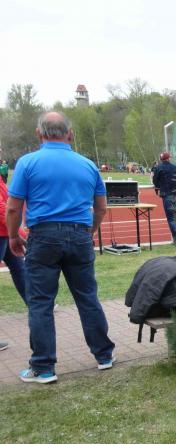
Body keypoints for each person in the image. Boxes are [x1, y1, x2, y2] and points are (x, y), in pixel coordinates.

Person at [5, 112, 115, 383]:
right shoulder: (88, 165)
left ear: (39, 133)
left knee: (40, 302)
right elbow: (101, 207)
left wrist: (13, 236)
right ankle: (104, 355)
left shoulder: (27, 163)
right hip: (79, 234)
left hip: (43, 236)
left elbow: (13, 207)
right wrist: (89, 231)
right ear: (70, 134)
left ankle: (43, 367)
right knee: (87, 296)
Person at [0, 175, 27, 306]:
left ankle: (35, 304)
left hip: (6, 233)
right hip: (3, 233)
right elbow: (2, 209)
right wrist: (18, 232)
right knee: (19, 269)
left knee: (19, 269)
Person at [151, 151, 176, 241]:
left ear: (161, 159)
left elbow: (155, 181)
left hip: (167, 195)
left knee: (171, 218)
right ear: (169, 158)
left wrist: (158, 187)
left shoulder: (158, 168)